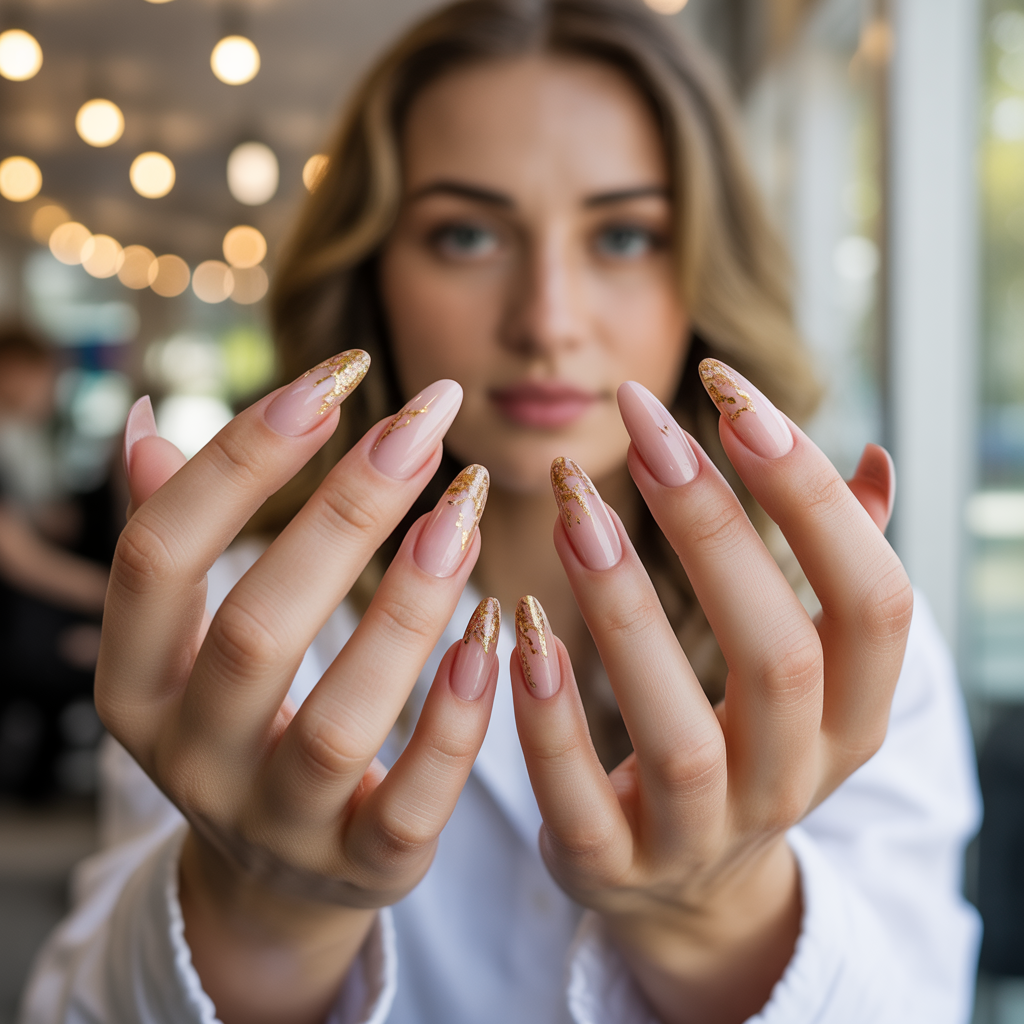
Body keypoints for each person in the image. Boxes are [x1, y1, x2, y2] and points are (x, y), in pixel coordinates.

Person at [20, 0, 981, 1021]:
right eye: (467, 233)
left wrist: (722, 911)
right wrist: (259, 910)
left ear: (702, 268)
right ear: (373, 272)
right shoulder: (234, 632)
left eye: (622, 233)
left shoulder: (834, 643)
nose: (547, 321)